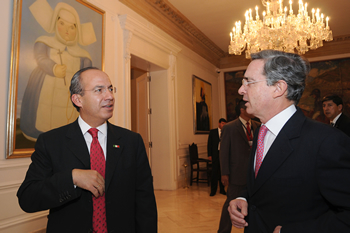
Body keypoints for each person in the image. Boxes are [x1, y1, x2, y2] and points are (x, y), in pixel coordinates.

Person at [17, 67, 157, 233]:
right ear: (78, 100)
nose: (110, 96)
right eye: (99, 90)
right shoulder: (51, 142)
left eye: (111, 89)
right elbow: (28, 198)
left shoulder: (132, 142)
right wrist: (72, 178)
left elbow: (145, 203)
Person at [228, 50, 350, 233]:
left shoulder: (327, 141)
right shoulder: (261, 131)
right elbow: (262, 183)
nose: (241, 90)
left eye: (249, 82)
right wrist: (244, 198)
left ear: (278, 88)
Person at [20, 1, 96, 140]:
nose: (67, 30)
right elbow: (41, 58)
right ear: (56, 24)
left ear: (77, 30)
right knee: (45, 115)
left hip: (68, 97)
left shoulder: (83, 56)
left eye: (72, 27)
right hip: (45, 90)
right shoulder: (44, 43)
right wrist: (53, 68)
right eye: (62, 24)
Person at [218, 99, 260, 233]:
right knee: (230, 204)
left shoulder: (258, 125)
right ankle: (223, 231)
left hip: (254, 173)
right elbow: (224, 152)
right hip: (236, 173)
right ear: (242, 110)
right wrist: (225, 173)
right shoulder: (229, 127)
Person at [207, 118, 227, 196]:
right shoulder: (213, 132)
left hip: (223, 155)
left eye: (225, 124)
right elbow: (209, 144)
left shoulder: (226, 132)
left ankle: (222, 189)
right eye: (222, 123)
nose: (223, 125)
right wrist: (209, 155)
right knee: (214, 173)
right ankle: (213, 191)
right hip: (215, 155)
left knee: (222, 173)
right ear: (219, 124)